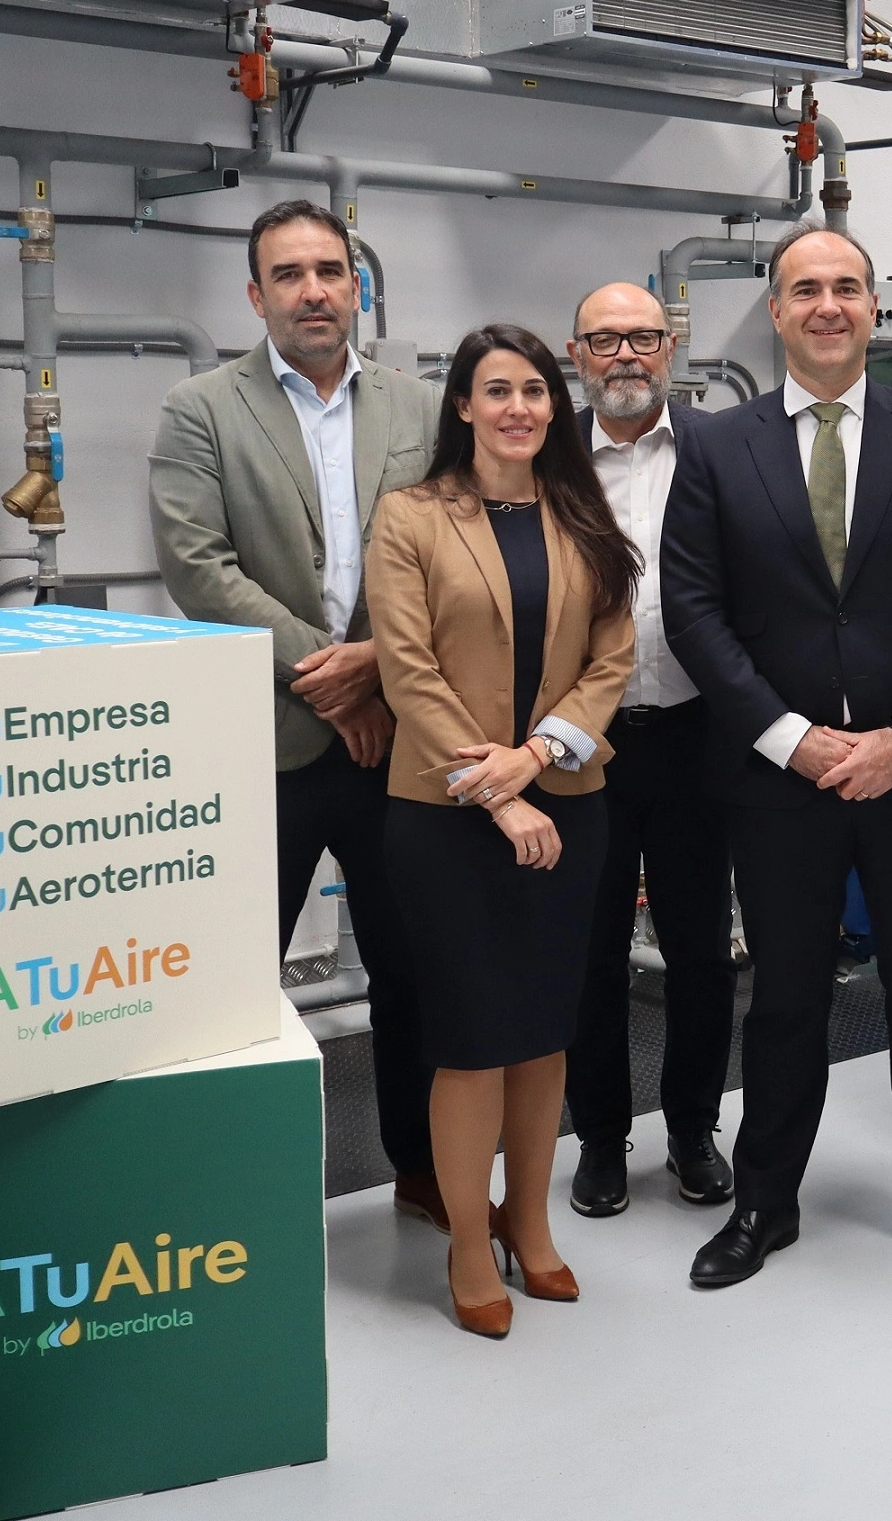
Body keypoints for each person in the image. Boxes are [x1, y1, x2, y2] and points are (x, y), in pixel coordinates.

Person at [661, 225, 892, 1289]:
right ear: (775, 310)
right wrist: (789, 738)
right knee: (785, 1001)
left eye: (847, 288)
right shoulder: (718, 447)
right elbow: (693, 607)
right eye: (806, 289)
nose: (828, 305)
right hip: (780, 786)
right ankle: (765, 1204)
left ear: (873, 307)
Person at [149, 199, 445, 1232]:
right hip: (268, 745)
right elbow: (198, 567)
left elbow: (455, 557)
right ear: (256, 294)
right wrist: (333, 675)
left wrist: (378, 670)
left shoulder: (421, 408)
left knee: (412, 971)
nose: (313, 291)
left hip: (398, 741)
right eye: (289, 274)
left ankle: (424, 1169)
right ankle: (224, 1197)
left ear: (356, 287)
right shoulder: (200, 409)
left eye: (330, 271)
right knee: (235, 986)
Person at [367, 323, 638, 1338]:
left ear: (553, 406)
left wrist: (538, 759)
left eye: (534, 390)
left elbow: (611, 658)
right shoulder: (411, 517)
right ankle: (470, 1245)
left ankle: (530, 1222)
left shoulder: (581, 511)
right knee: (474, 1040)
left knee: (543, 1033)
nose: (518, 407)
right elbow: (407, 670)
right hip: (446, 817)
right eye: (497, 390)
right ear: (463, 406)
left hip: (567, 802)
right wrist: (499, 791)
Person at [557, 284, 739, 1219]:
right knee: (587, 953)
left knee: (702, 952)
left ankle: (693, 1130)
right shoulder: (546, 458)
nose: (625, 354)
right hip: (577, 743)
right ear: (576, 354)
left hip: (697, 734)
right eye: (605, 340)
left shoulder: (726, 447)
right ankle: (598, 1137)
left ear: (671, 348)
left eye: (642, 338)